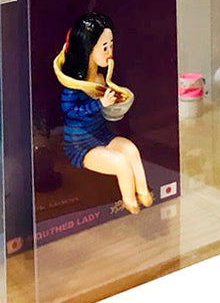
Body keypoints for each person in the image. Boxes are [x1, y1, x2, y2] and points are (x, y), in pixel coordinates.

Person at [53, 12, 153, 214]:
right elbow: (70, 111)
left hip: (102, 135)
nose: (110, 52)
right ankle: (130, 202)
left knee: (131, 150)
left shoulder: (101, 78)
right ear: (88, 49)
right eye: (104, 47)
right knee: (121, 163)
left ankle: (144, 192)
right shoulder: (74, 86)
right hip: (81, 144)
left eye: (111, 45)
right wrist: (99, 104)